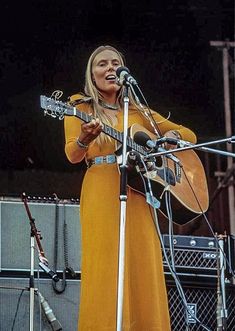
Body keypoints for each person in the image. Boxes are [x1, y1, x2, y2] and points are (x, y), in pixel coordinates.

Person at [64, 45, 197, 331]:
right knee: (105, 266)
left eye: (116, 63)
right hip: (101, 188)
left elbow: (189, 133)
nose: (110, 68)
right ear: (92, 74)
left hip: (139, 193)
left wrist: (171, 137)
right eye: (102, 64)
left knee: (142, 263)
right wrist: (85, 139)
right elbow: (72, 155)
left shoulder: (140, 112)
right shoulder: (80, 107)